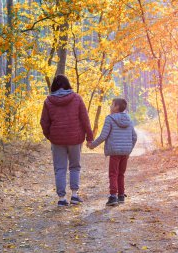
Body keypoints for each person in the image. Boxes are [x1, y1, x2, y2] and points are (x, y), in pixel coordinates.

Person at [40, 74, 93, 207]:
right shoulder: (77, 98)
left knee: (60, 168)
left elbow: (44, 123)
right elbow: (85, 119)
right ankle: (74, 195)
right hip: (75, 138)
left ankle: (62, 198)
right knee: (75, 166)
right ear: (68, 84)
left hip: (57, 139)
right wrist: (89, 137)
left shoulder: (48, 101)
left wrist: (50, 136)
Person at [87, 98, 137, 206]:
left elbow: (103, 136)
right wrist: (129, 149)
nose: (110, 107)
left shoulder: (109, 118)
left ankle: (113, 196)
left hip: (114, 152)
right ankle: (121, 196)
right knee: (121, 174)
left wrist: (92, 145)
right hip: (125, 152)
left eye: (112, 104)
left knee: (113, 174)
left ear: (116, 107)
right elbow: (134, 137)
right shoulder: (129, 119)